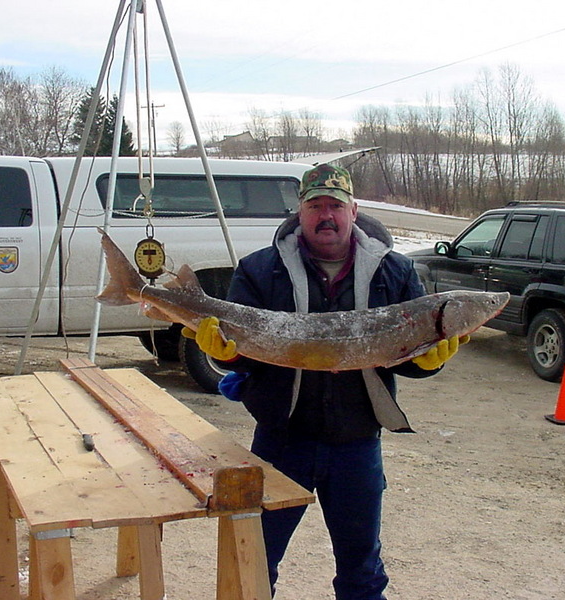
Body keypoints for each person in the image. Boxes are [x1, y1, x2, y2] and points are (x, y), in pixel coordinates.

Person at [183, 163, 466, 599]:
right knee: (255, 559)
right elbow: (248, 358)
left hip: (356, 443)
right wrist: (230, 352)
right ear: (300, 213)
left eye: (335, 205)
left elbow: (406, 358)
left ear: (354, 210)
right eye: (315, 206)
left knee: (362, 571)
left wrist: (427, 363)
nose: (326, 215)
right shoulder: (259, 270)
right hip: (281, 439)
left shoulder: (397, 272)